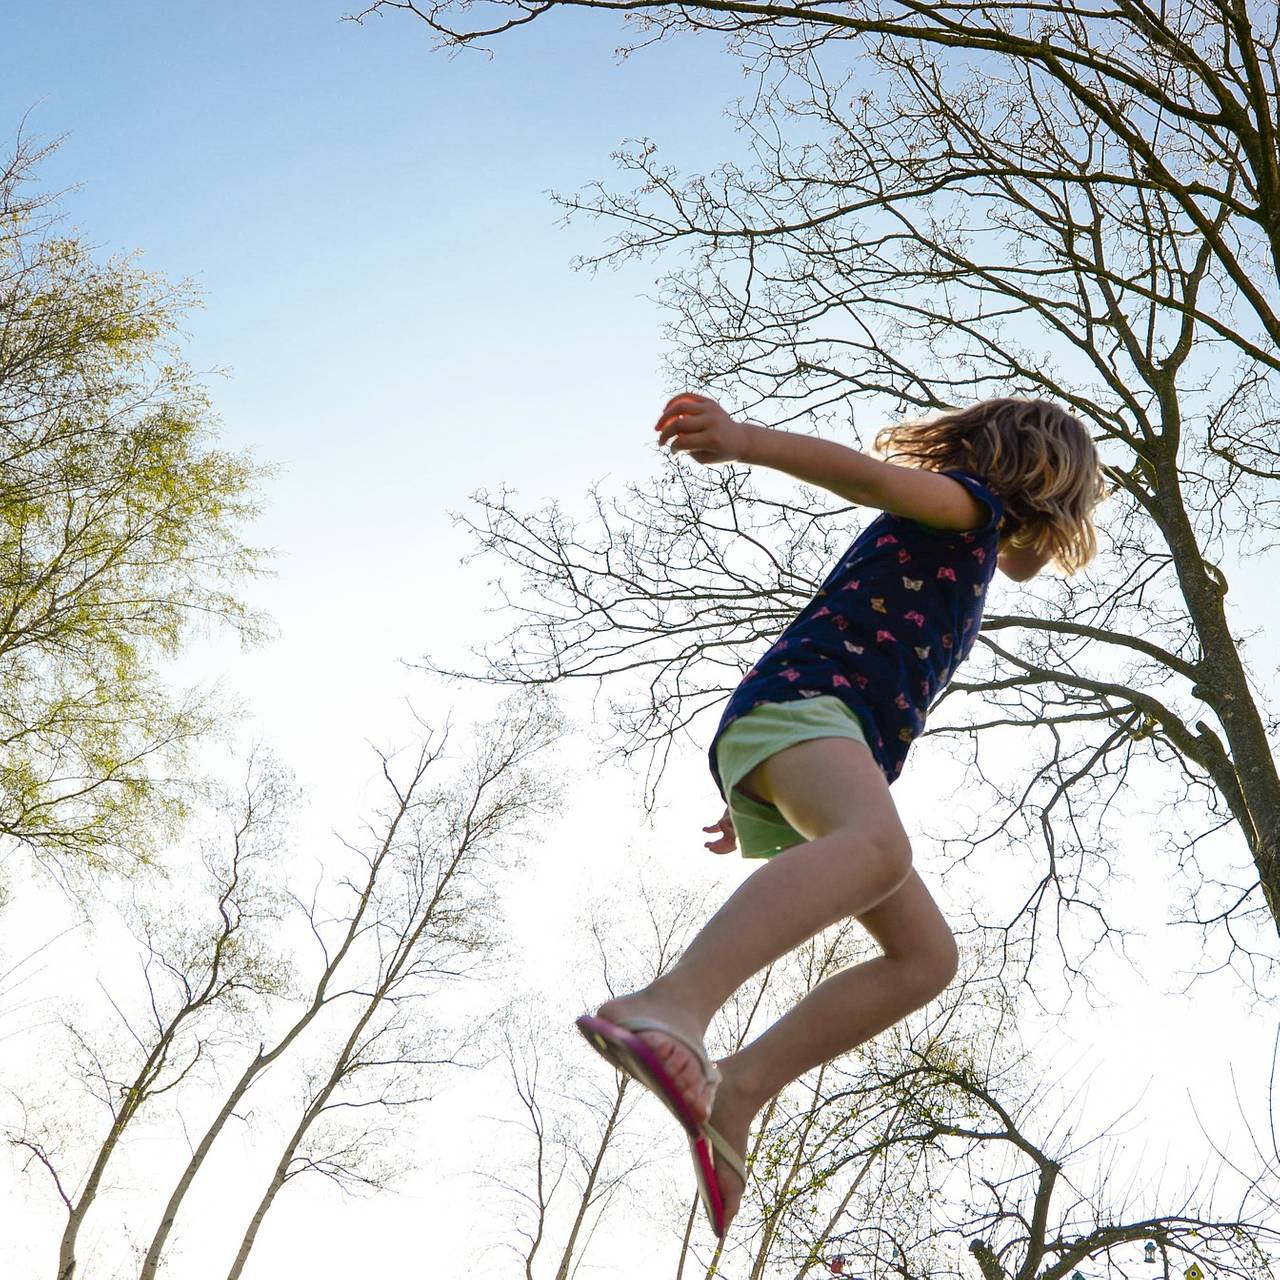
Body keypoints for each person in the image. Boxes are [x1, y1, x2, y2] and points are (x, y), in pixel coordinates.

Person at [575, 392, 1107, 1238]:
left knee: (926, 957)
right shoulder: (968, 504)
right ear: (1045, 484)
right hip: (808, 709)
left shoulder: (971, 541)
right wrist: (743, 440)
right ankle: (670, 1004)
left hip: (811, 732)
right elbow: (862, 475)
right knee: (876, 847)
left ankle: (739, 1090)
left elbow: (1023, 565)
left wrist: (763, 790)